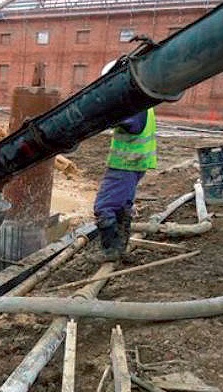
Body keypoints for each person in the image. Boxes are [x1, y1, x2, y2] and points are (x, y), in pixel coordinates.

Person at [94, 59, 157, 262]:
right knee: (123, 206)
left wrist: (106, 115)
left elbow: (133, 125)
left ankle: (110, 251)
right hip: (135, 163)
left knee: (104, 207)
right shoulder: (144, 98)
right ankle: (121, 249)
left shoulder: (134, 101)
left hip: (125, 164)